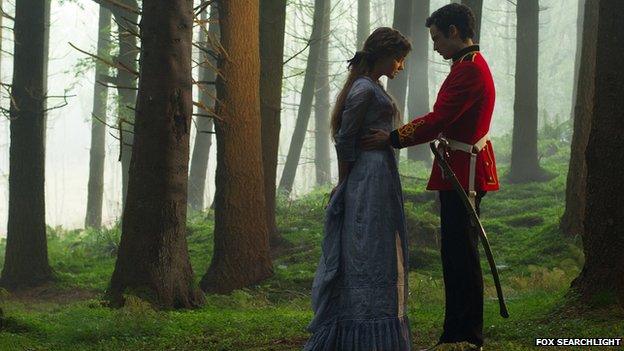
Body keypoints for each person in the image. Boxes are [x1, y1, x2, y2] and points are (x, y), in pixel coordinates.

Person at [361, 4, 499, 351]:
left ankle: (466, 335)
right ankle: (457, 333)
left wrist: (394, 138)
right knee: (456, 253)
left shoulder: (468, 71)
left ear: (454, 32)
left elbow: (439, 118)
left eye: (437, 38)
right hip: (459, 167)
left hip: (463, 171)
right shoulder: (466, 66)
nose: (435, 46)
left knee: (460, 255)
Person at [303, 27, 413, 351]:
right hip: (366, 180)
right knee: (366, 251)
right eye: (398, 59)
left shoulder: (371, 86)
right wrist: (344, 183)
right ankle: (364, 329)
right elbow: (344, 140)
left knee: (378, 250)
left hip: (378, 177)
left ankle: (378, 323)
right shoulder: (364, 89)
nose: (401, 66)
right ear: (383, 55)